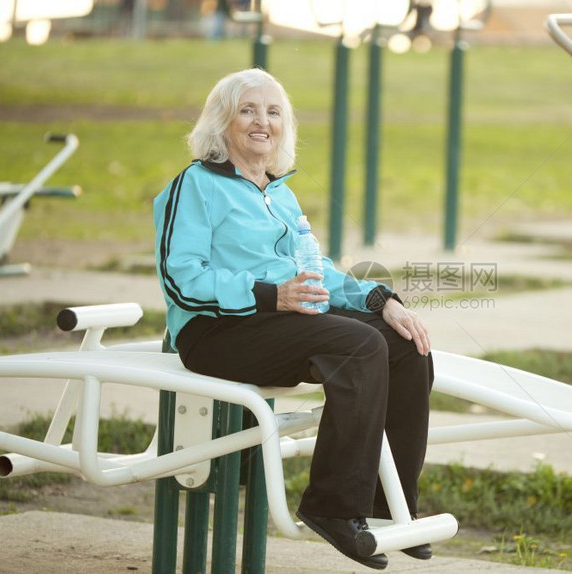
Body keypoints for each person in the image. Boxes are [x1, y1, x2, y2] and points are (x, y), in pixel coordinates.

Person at [153, 68, 434, 570]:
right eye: (248, 110)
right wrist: (269, 295)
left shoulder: (277, 192)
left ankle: (386, 508)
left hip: (280, 323)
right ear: (223, 123)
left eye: (274, 111)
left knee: (402, 345)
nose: (263, 121)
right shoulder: (195, 185)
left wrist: (379, 301)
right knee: (358, 346)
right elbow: (182, 278)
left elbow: (315, 273)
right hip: (215, 331)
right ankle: (331, 506)